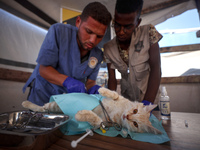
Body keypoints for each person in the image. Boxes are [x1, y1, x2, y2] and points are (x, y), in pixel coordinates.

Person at [23, 2, 112, 106]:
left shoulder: (97, 55)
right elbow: (44, 69)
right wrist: (67, 81)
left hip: (67, 103)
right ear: (78, 22)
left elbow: (90, 82)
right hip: (43, 96)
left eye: (99, 36)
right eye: (88, 31)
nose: (93, 40)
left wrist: (94, 89)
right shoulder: (59, 32)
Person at [103, 0, 162, 105]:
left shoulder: (149, 33)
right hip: (128, 101)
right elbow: (112, 79)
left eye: (127, 27)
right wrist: (110, 102)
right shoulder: (108, 48)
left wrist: (148, 103)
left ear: (137, 23)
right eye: (116, 25)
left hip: (150, 99)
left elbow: (156, 69)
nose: (121, 32)